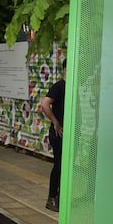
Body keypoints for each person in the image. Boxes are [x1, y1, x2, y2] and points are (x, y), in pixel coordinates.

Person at [40, 59, 66, 212]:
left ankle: (60, 197)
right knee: (59, 165)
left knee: (65, 166)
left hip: (67, 133)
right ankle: (51, 198)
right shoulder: (59, 86)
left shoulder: (72, 87)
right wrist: (56, 122)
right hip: (59, 133)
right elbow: (45, 104)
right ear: (64, 69)